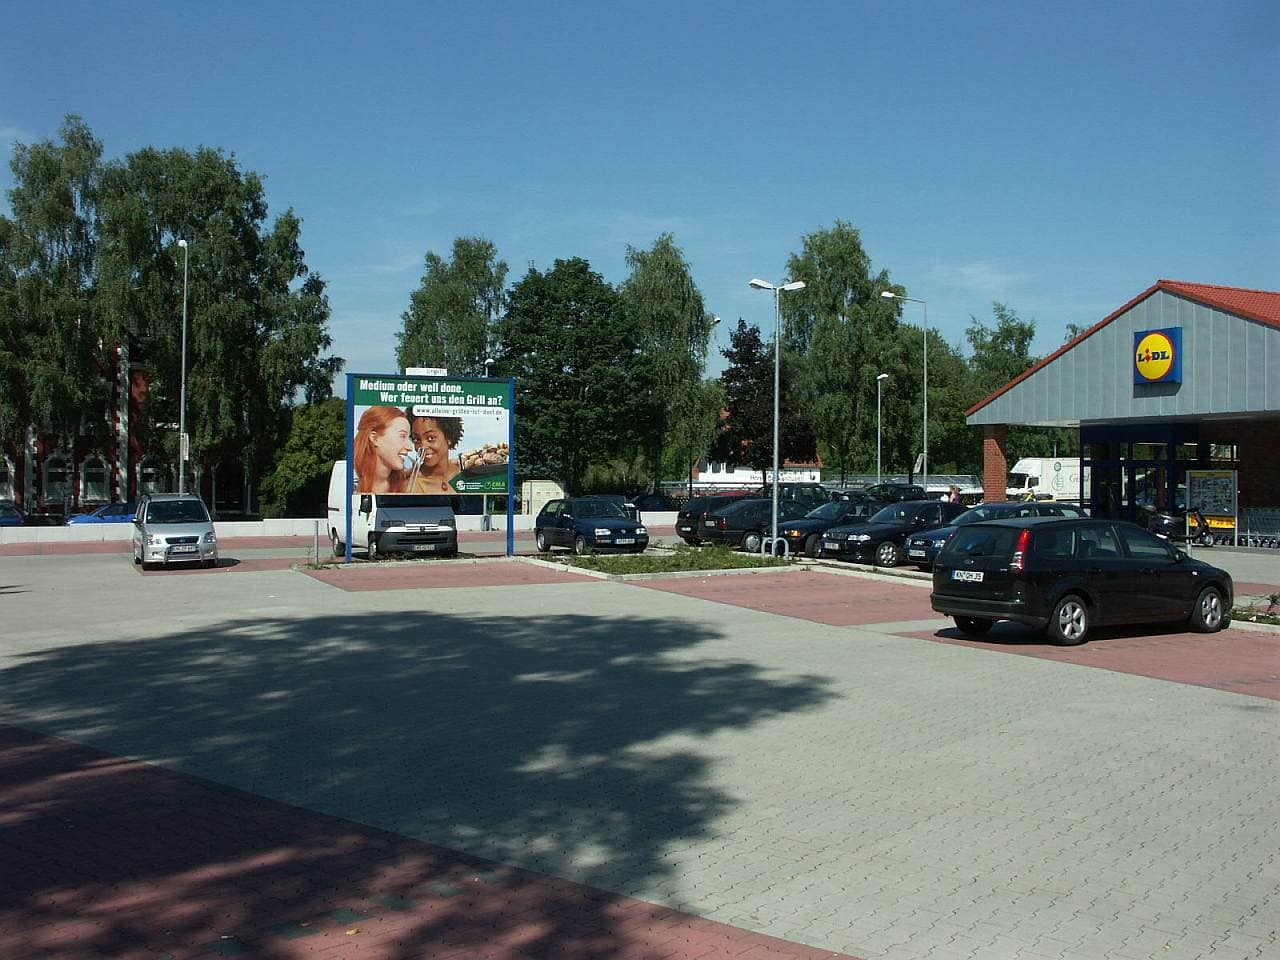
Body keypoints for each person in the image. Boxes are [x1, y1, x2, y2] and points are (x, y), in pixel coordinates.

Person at [353, 406, 414, 494]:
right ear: (375, 438)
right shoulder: (350, 485)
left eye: (409, 438)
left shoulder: (410, 486)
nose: (410, 447)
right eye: (402, 436)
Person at [406, 412, 464, 493]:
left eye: (430, 438)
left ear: (448, 437)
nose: (422, 446)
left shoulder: (465, 473)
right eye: (417, 439)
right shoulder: (411, 485)